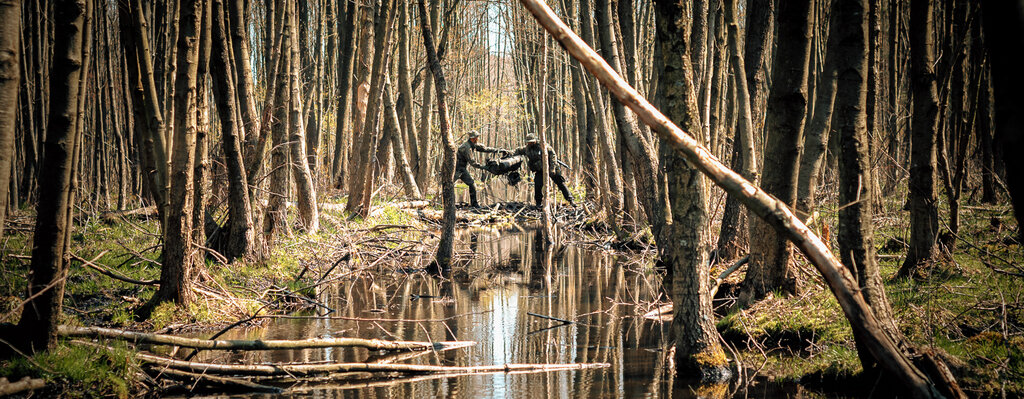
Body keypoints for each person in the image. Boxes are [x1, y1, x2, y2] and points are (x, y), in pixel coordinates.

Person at [513, 134, 575, 207]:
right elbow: (517, 151)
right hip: (540, 170)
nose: (530, 143)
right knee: (537, 185)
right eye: (528, 142)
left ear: (535, 140)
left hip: (551, 167)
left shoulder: (544, 146)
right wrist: (509, 154)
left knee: (560, 183)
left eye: (531, 142)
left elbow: (553, 157)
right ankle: (538, 203)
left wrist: (552, 169)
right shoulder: (527, 149)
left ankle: (571, 200)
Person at [455, 130, 503, 207]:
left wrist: (497, 150)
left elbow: (484, 149)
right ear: (472, 138)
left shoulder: (473, 144)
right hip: (456, 169)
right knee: (449, 185)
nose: (478, 139)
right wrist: (484, 167)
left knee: (472, 184)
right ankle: (443, 203)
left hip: (462, 169)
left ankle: (474, 204)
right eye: (476, 137)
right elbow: (472, 163)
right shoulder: (466, 147)